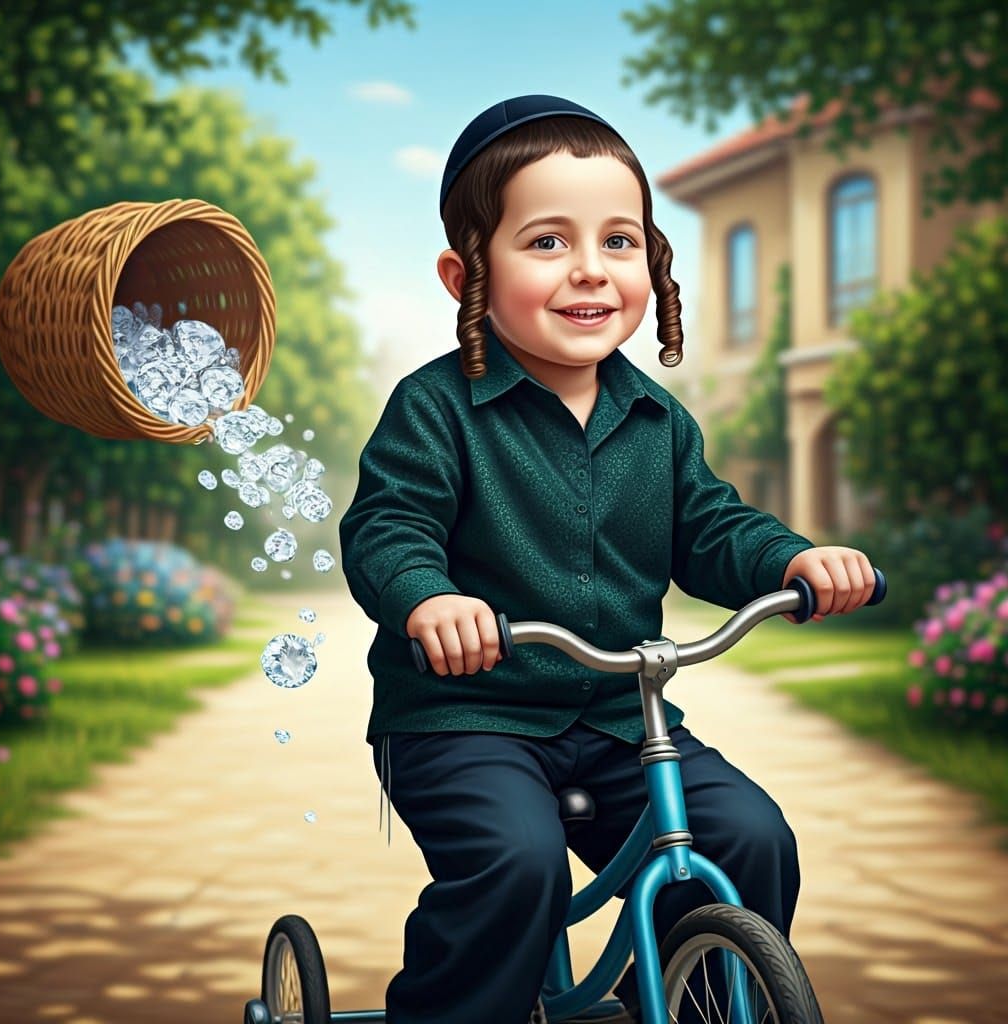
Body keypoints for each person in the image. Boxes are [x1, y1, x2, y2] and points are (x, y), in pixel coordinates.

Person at [338, 94, 876, 1024]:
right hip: (467, 719)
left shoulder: (658, 420)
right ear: (464, 274)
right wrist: (427, 599)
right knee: (516, 865)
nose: (590, 269)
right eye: (547, 241)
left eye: (619, 241)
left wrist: (795, 561)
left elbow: (711, 529)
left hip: (620, 719)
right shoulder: (434, 409)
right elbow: (389, 525)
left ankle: (678, 997)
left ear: (653, 263)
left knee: (749, 836)